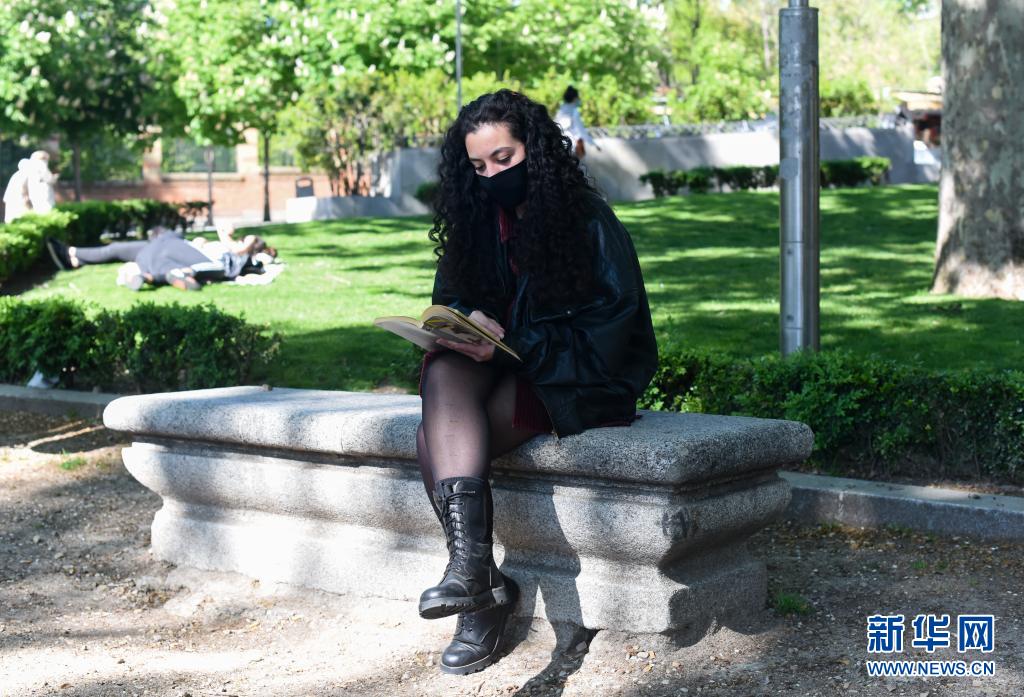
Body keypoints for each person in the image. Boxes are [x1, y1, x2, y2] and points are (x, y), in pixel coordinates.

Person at [416, 89, 657, 675]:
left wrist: (518, 345)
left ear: (536, 150)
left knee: (432, 438)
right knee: (444, 370)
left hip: (574, 380)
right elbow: (450, 299)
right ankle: (476, 578)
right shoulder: (476, 222)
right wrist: (467, 320)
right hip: (499, 369)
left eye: (504, 159)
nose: (492, 176)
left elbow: (610, 336)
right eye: (478, 167)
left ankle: (481, 594)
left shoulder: (587, 221)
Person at [45, 223, 276, 291]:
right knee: (116, 248)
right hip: (169, 246)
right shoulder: (228, 250)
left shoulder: (237, 254)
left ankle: (151, 276)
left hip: (181, 253)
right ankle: (73, 255)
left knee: (164, 263)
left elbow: (235, 250)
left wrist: (224, 234)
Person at [3, 151, 58, 222]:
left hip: (14, 202)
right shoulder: (35, 169)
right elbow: (48, 179)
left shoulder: (20, 173)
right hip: (20, 203)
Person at [554, 86, 599, 160]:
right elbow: (581, 130)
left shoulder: (561, 110)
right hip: (573, 145)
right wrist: (593, 143)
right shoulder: (574, 111)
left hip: (560, 144)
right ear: (574, 98)